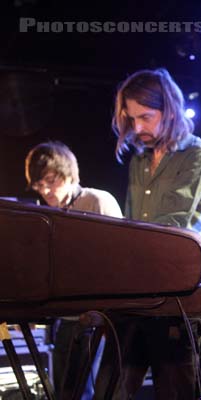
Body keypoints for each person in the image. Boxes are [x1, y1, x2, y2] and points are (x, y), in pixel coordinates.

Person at [97, 68, 201, 399]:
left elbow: (172, 224)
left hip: (179, 295)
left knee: (175, 393)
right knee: (111, 389)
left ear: (170, 110)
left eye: (146, 117)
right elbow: (132, 222)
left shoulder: (198, 154)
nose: (137, 128)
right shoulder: (139, 160)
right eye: (131, 118)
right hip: (137, 294)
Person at [25, 140, 123, 399]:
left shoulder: (98, 201)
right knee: (66, 393)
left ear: (69, 175)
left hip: (100, 317)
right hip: (66, 319)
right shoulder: (49, 215)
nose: (45, 190)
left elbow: (121, 259)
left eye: (50, 181)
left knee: (89, 391)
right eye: (38, 185)